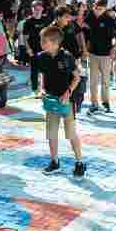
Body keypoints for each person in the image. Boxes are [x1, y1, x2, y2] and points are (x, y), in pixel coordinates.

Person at [34, 26, 86, 178]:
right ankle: (54, 161)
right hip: (51, 100)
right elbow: (42, 75)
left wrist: (68, 92)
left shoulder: (66, 57)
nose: (42, 43)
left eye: (45, 41)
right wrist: (42, 89)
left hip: (67, 101)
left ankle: (79, 162)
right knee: (51, 133)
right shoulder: (42, 57)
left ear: (55, 43)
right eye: (42, 40)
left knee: (71, 133)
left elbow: (77, 77)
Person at [85, 0, 116, 115]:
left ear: (105, 8)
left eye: (99, 8)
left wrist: (114, 49)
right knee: (92, 81)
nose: (96, 10)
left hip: (105, 55)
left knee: (105, 80)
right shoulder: (90, 16)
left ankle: (105, 102)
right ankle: (94, 103)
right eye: (95, 7)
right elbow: (82, 28)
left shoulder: (109, 20)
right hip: (92, 54)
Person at [53, 7, 87, 115]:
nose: (68, 19)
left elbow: (80, 34)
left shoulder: (71, 24)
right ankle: (64, 103)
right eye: (66, 17)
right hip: (61, 61)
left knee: (80, 80)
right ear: (58, 17)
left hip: (75, 58)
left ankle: (77, 102)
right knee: (64, 83)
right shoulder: (52, 29)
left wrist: (84, 49)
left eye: (69, 16)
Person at [22, 0, 51, 95]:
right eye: (35, 9)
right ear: (32, 9)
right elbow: (25, 37)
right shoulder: (28, 22)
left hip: (45, 49)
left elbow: (49, 34)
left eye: (39, 9)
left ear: (42, 9)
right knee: (34, 70)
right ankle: (35, 89)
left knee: (46, 70)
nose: (37, 11)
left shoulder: (46, 20)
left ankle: (45, 88)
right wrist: (28, 49)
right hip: (33, 49)